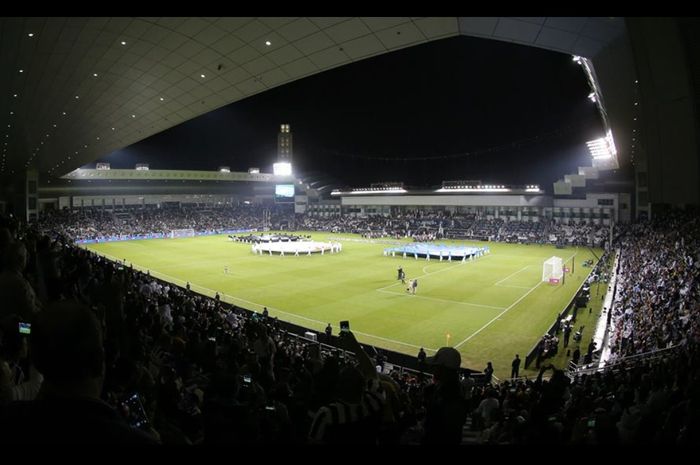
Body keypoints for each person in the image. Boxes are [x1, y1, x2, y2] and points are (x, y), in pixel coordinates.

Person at [0, 300, 158, 443]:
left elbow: (31, 332)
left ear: (36, 358)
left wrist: (19, 328)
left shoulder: (10, 417)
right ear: (100, 362)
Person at [422, 347, 469, 444]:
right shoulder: (453, 391)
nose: (432, 368)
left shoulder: (451, 398)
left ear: (444, 369)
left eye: (436, 366)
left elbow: (442, 431)